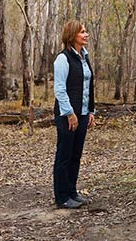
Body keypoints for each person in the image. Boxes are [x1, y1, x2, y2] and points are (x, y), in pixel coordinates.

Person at [53, 20, 95, 209]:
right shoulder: (63, 59)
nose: (86, 35)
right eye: (82, 32)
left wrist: (91, 111)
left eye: (86, 32)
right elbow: (60, 89)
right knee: (64, 154)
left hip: (83, 113)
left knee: (76, 155)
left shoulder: (84, 57)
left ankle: (72, 192)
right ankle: (61, 197)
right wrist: (70, 113)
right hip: (67, 115)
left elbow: (88, 86)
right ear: (72, 35)